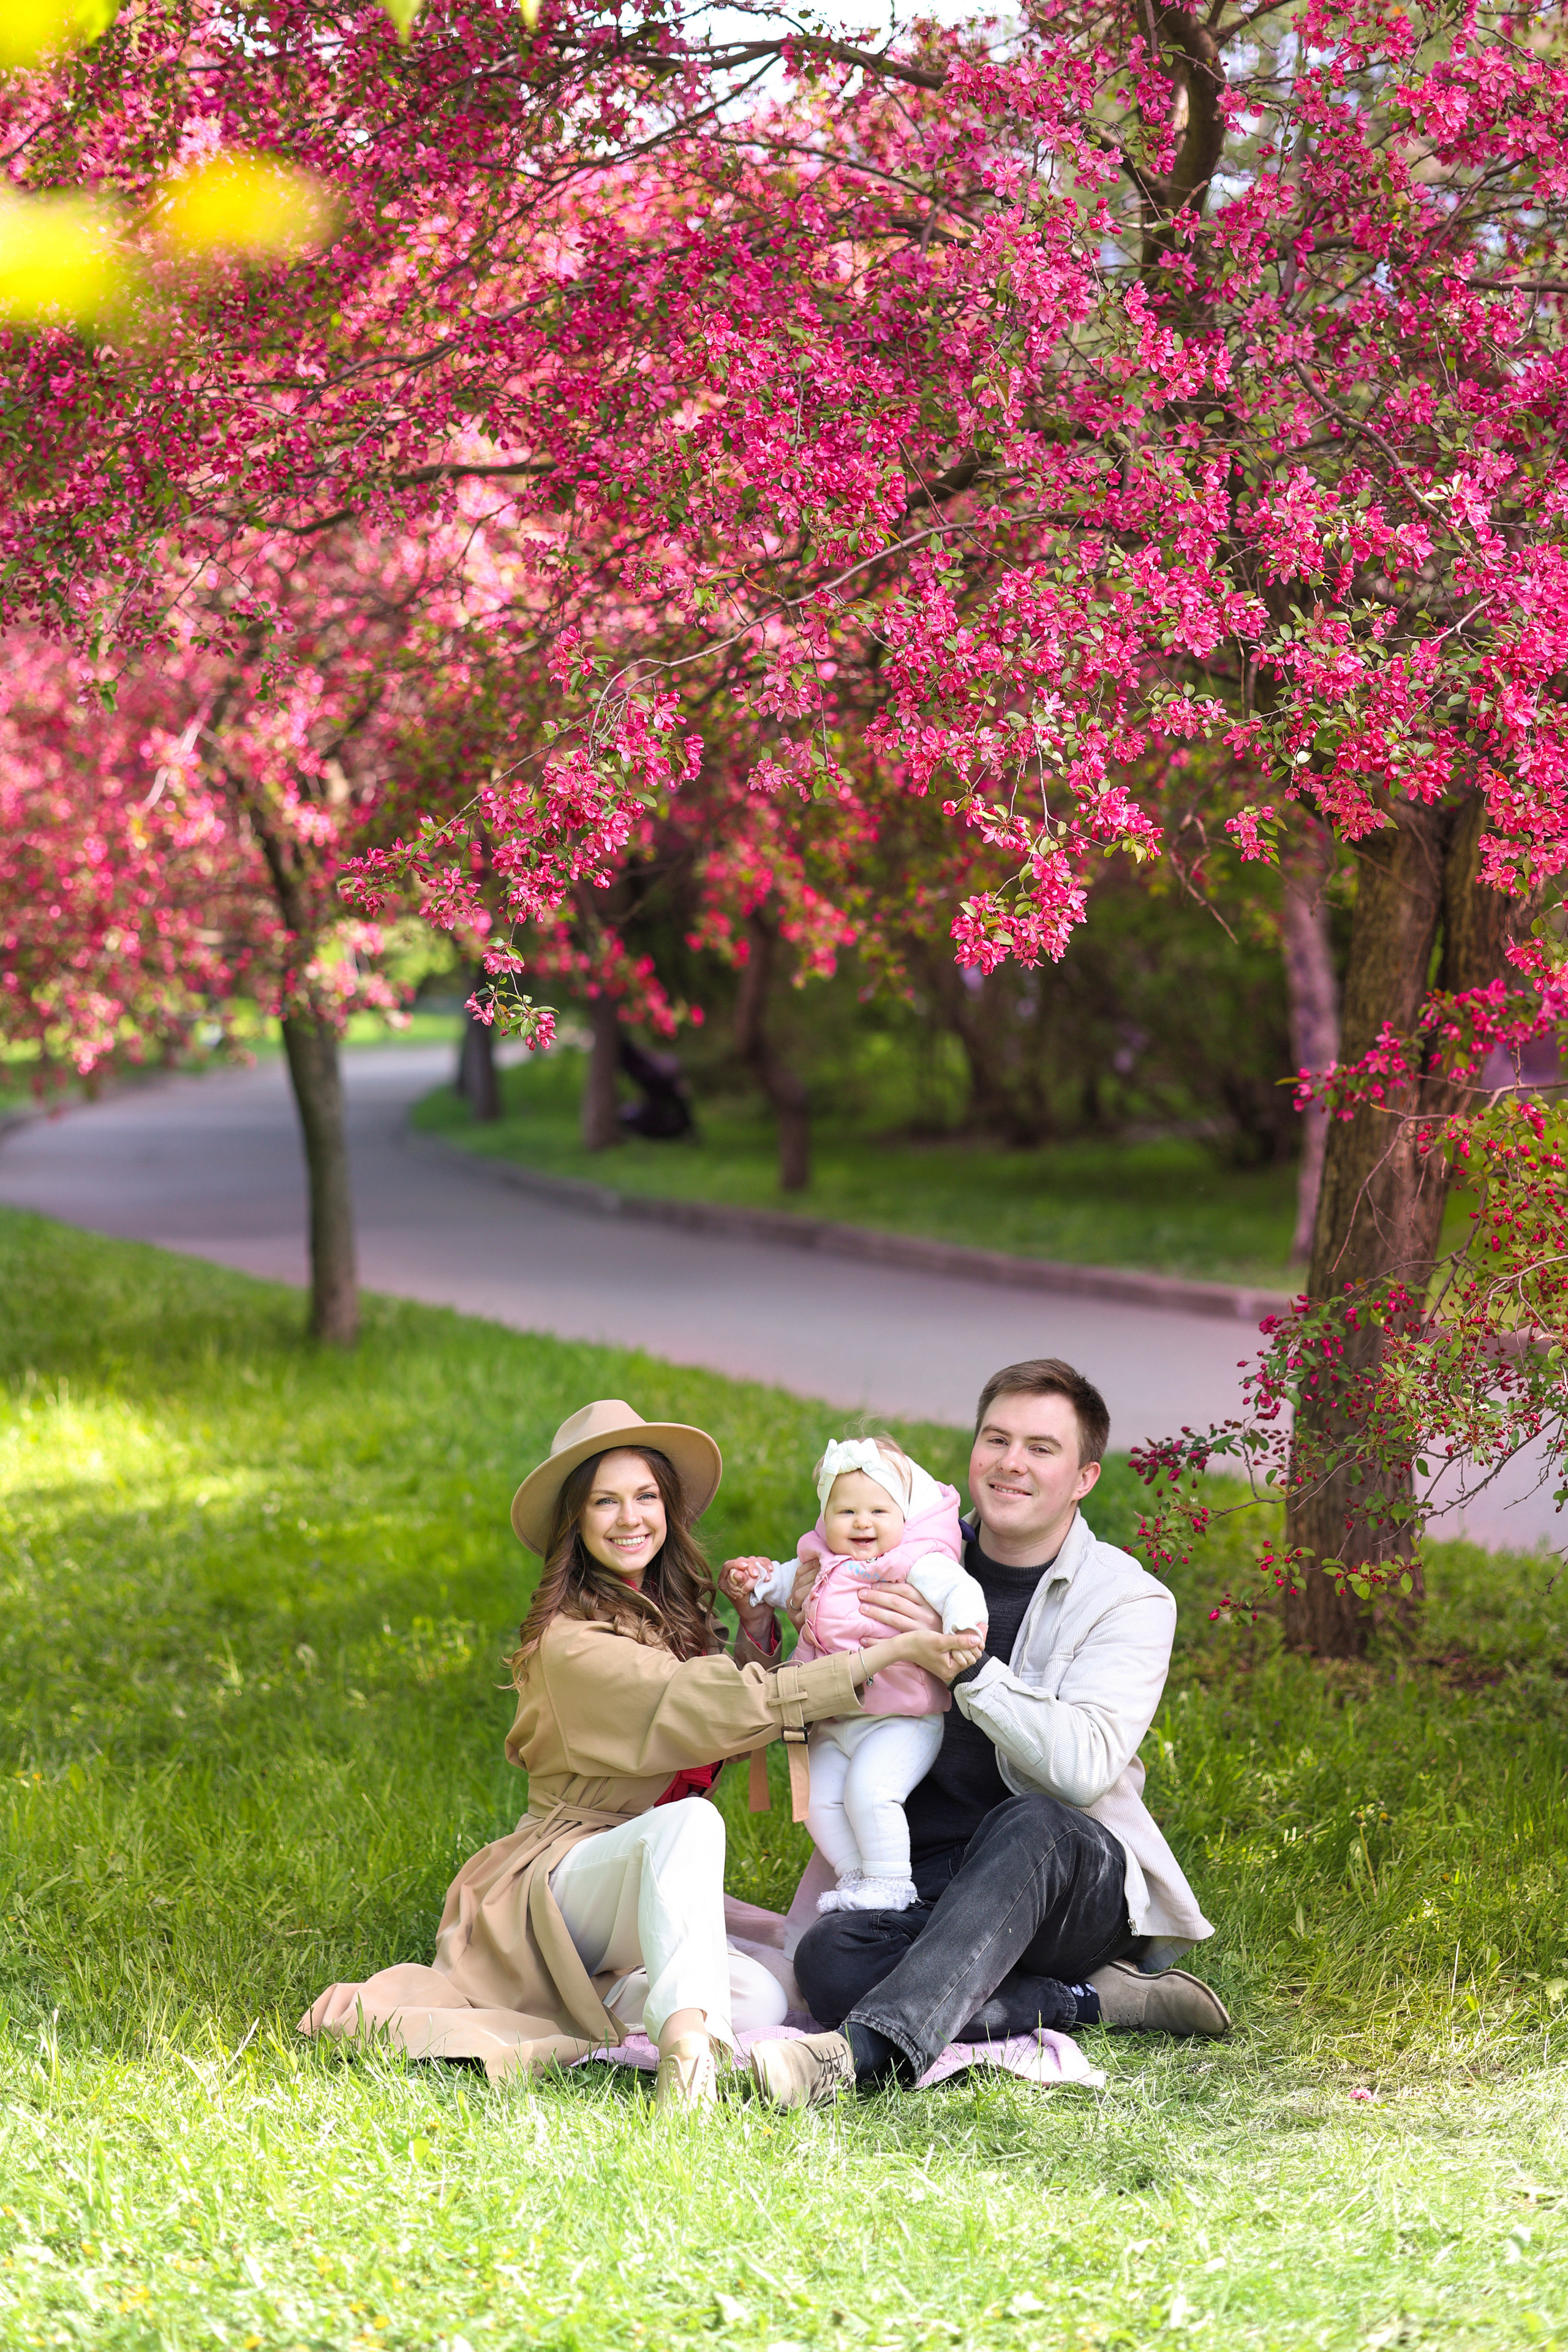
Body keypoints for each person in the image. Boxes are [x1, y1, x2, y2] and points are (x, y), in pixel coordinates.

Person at [299, 1400, 976, 2114]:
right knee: (690, 1827)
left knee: (765, 1992)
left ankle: (601, 1993)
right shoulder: (573, 1643)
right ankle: (686, 2069)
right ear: (576, 1522)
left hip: (632, 1887)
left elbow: (719, 1705)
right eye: (605, 1502)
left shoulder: (665, 1614)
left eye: (647, 1496)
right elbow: (712, 1705)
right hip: (559, 1881)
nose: (631, 1518)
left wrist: (755, 1625)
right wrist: (887, 1654)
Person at [734, 1358, 1229, 2112]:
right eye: (995, 1439)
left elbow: (1082, 1769)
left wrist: (966, 1665)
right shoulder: (891, 1555)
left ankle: (864, 2054)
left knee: (1031, 1821)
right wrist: (771, 1621)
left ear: (1084, 1477)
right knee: (829, 1963)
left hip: (1065, 1878)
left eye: (1040, 1448)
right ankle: (1085, 2003)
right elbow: (806, 1691)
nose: (1009, 1464)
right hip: (927, 1873)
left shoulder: (1127, 1598)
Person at [728, 1434, 988, 1914]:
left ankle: (890, 1883)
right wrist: (759, 1583)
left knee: (871, 1791)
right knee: (818, 1803)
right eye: (846, 1512)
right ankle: (855, 1877)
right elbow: (783, 1579)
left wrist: (965, 1627)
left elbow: (958, 1589)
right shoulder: (820, 1562)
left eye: (879, 1512)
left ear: (904, 1518)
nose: (862, 1523)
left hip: (901, 1719)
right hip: (835, 1716)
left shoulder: (912, 1562)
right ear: (826, 1519)